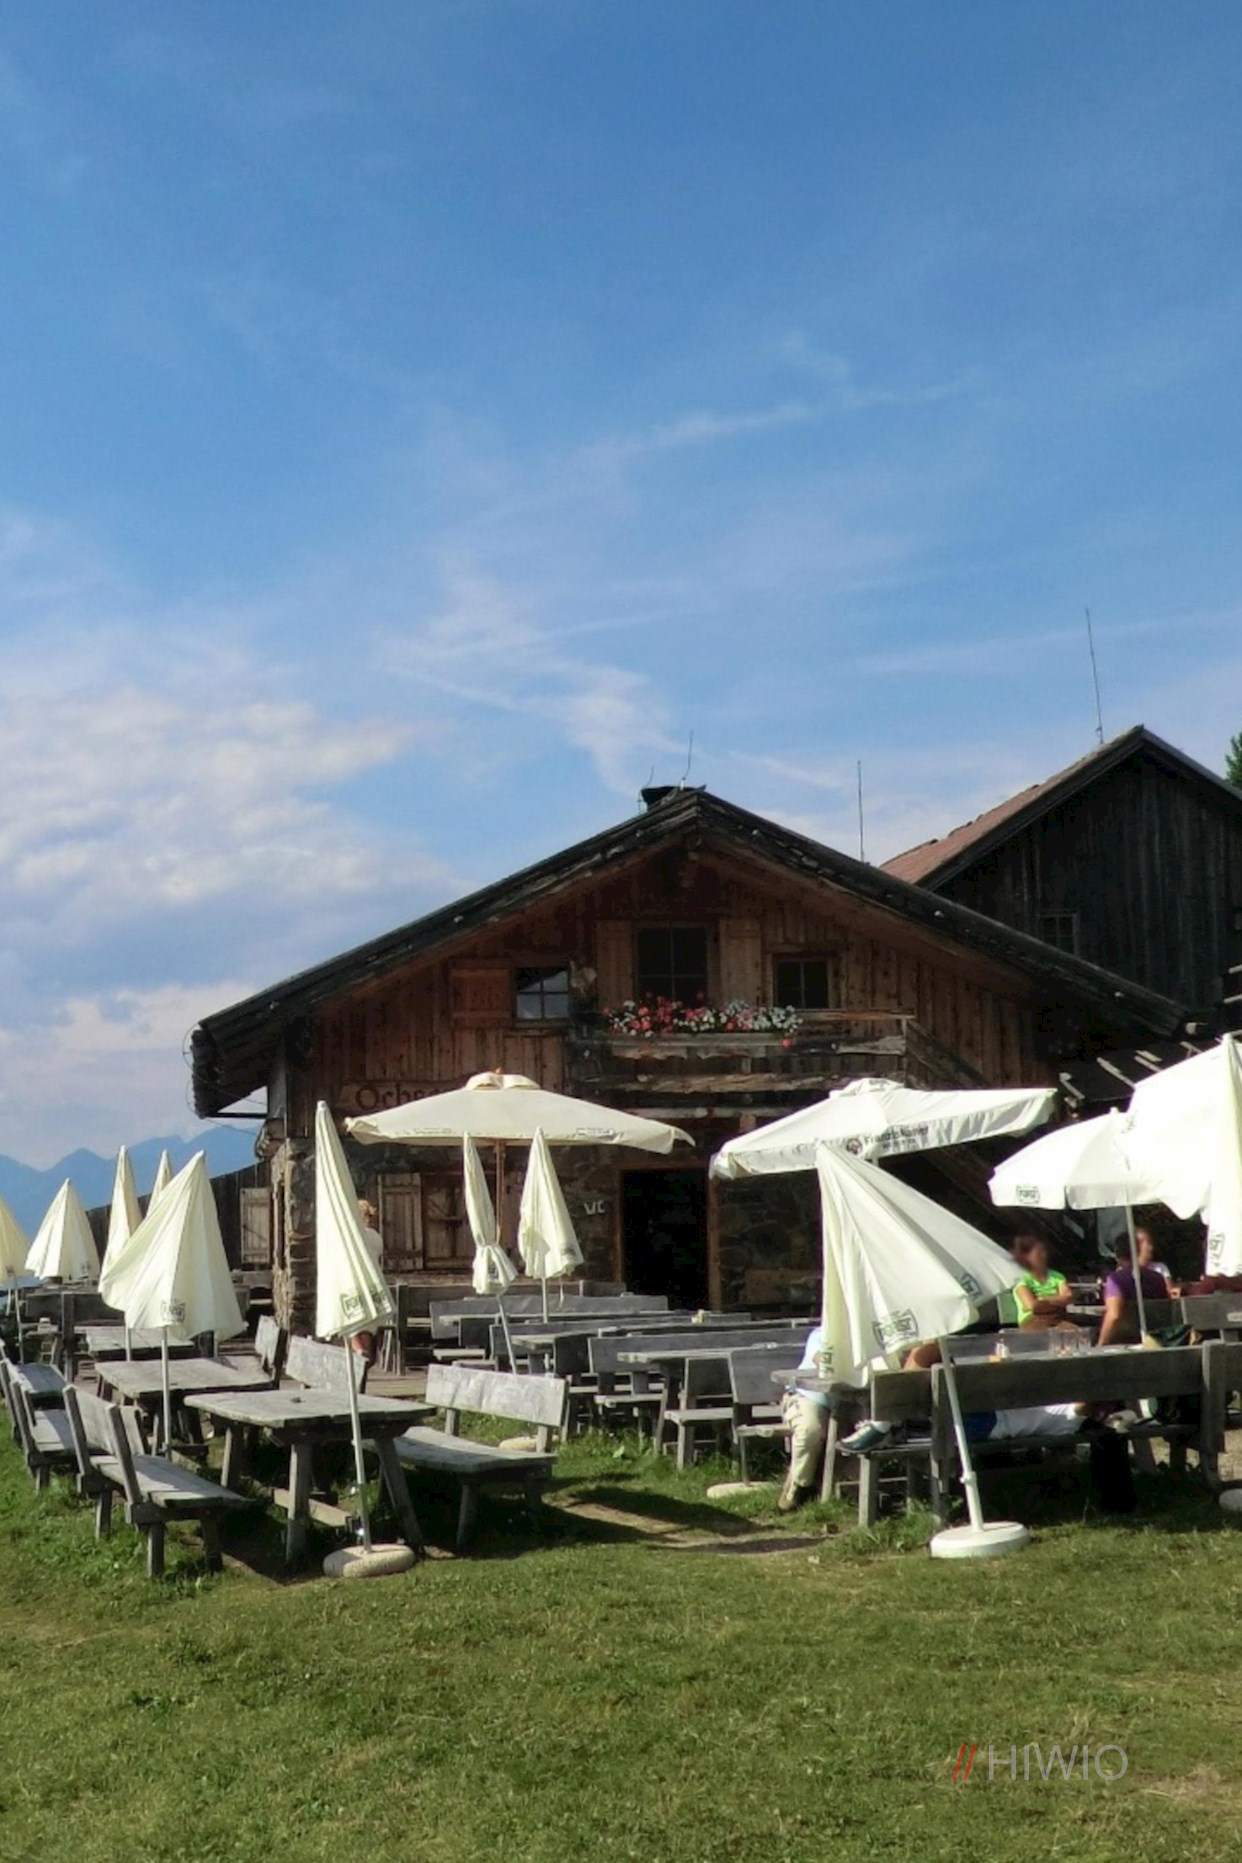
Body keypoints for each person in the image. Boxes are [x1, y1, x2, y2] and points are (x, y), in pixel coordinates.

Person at [777, 1323, 833, 1512]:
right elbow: (822, 1360)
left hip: (850, 1403)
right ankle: (799, 1487)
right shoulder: (820, 1334)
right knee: (810, 1430)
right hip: (807, 1397)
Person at [1097, 1227, 1170, 1348]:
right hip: (1155, 1341)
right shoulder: (1157, 1278)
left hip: (1125, 1344)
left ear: (1118, 1254)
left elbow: (1114, 1315)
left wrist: (1101, 1343)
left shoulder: (1116, 1279)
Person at [1012, 1235, 1074, 1329]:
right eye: (1039, 1253)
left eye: (1044, 1252)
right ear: (1026, 1257)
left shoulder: (1057, 1276)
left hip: (1058, 1318)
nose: (1044, 1256)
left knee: (1077, 1332)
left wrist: (1043, 1299)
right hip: (1032, 1319)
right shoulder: (1022, 1279)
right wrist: (1058, 1300)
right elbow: (1032, 1306)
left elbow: (1068, 1297)